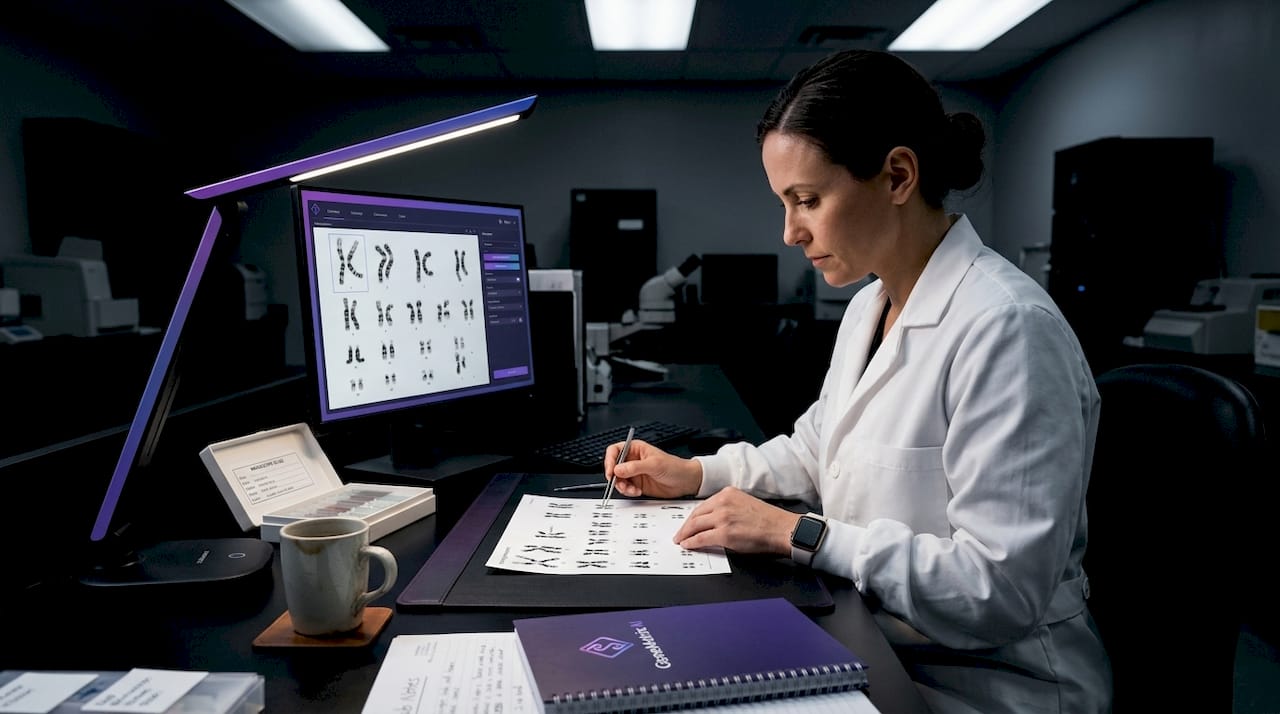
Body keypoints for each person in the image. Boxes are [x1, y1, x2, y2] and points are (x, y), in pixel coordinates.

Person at [605, 49, 1112, 714]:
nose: (790, 231)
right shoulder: (869, 307)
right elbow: (818, 452)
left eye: (807, 200)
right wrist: (696, 474)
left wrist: (799, 533)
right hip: (879, 639)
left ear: (898, 175)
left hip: (987, 683)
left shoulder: (1008, 329)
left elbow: (999, 591)